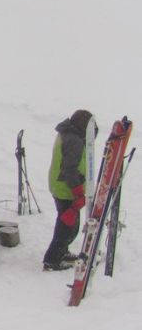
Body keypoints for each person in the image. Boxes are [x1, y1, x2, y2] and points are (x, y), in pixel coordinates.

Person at [42, 109, 94, 271]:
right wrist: (78, 191)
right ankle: (53, 260)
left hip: (60, 185)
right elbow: (70, 168)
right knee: (67, 226)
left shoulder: (67, 133)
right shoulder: (75, 141)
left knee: (69, 223)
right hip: (66, 188)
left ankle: (61, 252)